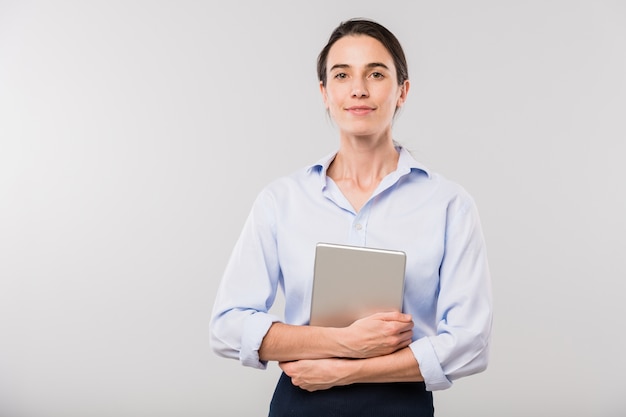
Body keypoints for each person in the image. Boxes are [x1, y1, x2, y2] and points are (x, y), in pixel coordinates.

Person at [210, 18, 492, 417]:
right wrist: (346, 343)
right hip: (300, 403)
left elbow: (471, 342)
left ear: (402, 91)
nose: (358, 89)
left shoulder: (448, 204)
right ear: (325, 92)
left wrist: (344, 370)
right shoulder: (282, 200)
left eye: (376, 73)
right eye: (342, 75)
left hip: (401, 405)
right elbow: (227, 326)